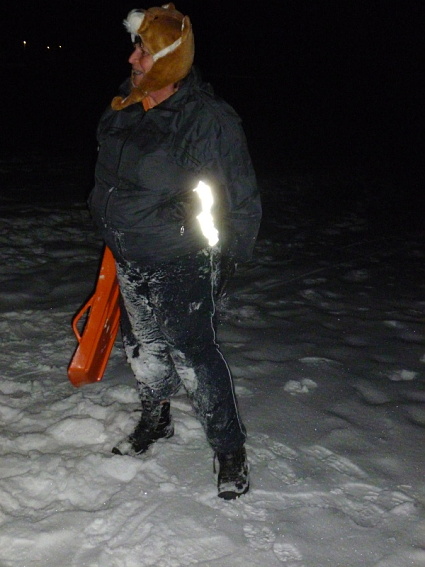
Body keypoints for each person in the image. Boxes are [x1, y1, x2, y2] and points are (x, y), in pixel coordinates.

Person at [88, 4, 261, 500]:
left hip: (180, 256)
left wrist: (228, 260)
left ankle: (230, 449)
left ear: (168, 59)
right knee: (144, 346)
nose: (132, 58)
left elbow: (241, 195)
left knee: (193, 354)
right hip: (128, 252)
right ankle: (156, 418)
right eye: (136, 48)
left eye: (143, 51)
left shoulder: (206, 119)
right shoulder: (125, 104)